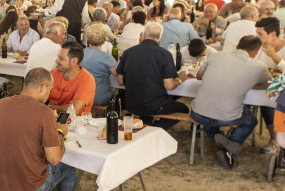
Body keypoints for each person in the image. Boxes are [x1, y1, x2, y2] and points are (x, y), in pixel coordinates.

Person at [0, 67, 79, 191]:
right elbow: (54, 158)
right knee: (70, 164)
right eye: (50, 90)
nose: (49, 95)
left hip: (1, 175)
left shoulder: (2, 104)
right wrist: (59, 132)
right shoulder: (43, 112)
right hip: (32, 183)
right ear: (42, 87)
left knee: (20, 165)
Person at [191, 36, 272, 169]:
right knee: (250, 120)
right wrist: (248, 84)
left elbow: (199, 76)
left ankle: (214, 134)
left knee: (211, 110)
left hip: (198, 113)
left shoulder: (216, 56)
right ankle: (230, 146)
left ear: (237, 46)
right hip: (226, 117)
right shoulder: (258, 66)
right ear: (255, 52)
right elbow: (270, 85)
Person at [116, 22, 190, 129]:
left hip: (131, 103)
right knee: (184, 109)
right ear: (160, 38)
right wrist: (180, 79)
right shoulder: (165, 54)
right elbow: (169, 86)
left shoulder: (128, 52)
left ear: (144, 35)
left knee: (147, 104)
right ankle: (156, 128)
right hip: (155, 105)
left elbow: (120, 81)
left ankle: (147, 125)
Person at [48, 43, 96, 115]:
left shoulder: (87, 80)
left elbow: (74, 109)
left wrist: (51, 107)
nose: (56, 61)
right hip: (52, 119)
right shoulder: (53, 73)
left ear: (74, 62)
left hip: (75, 123)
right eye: (58, 57)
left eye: (61, 58)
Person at [81, 23, 118, 107]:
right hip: (100, 97)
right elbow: (117, 72)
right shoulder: (106, 57)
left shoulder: (80, 54)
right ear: (104, 39)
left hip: (82, 96)